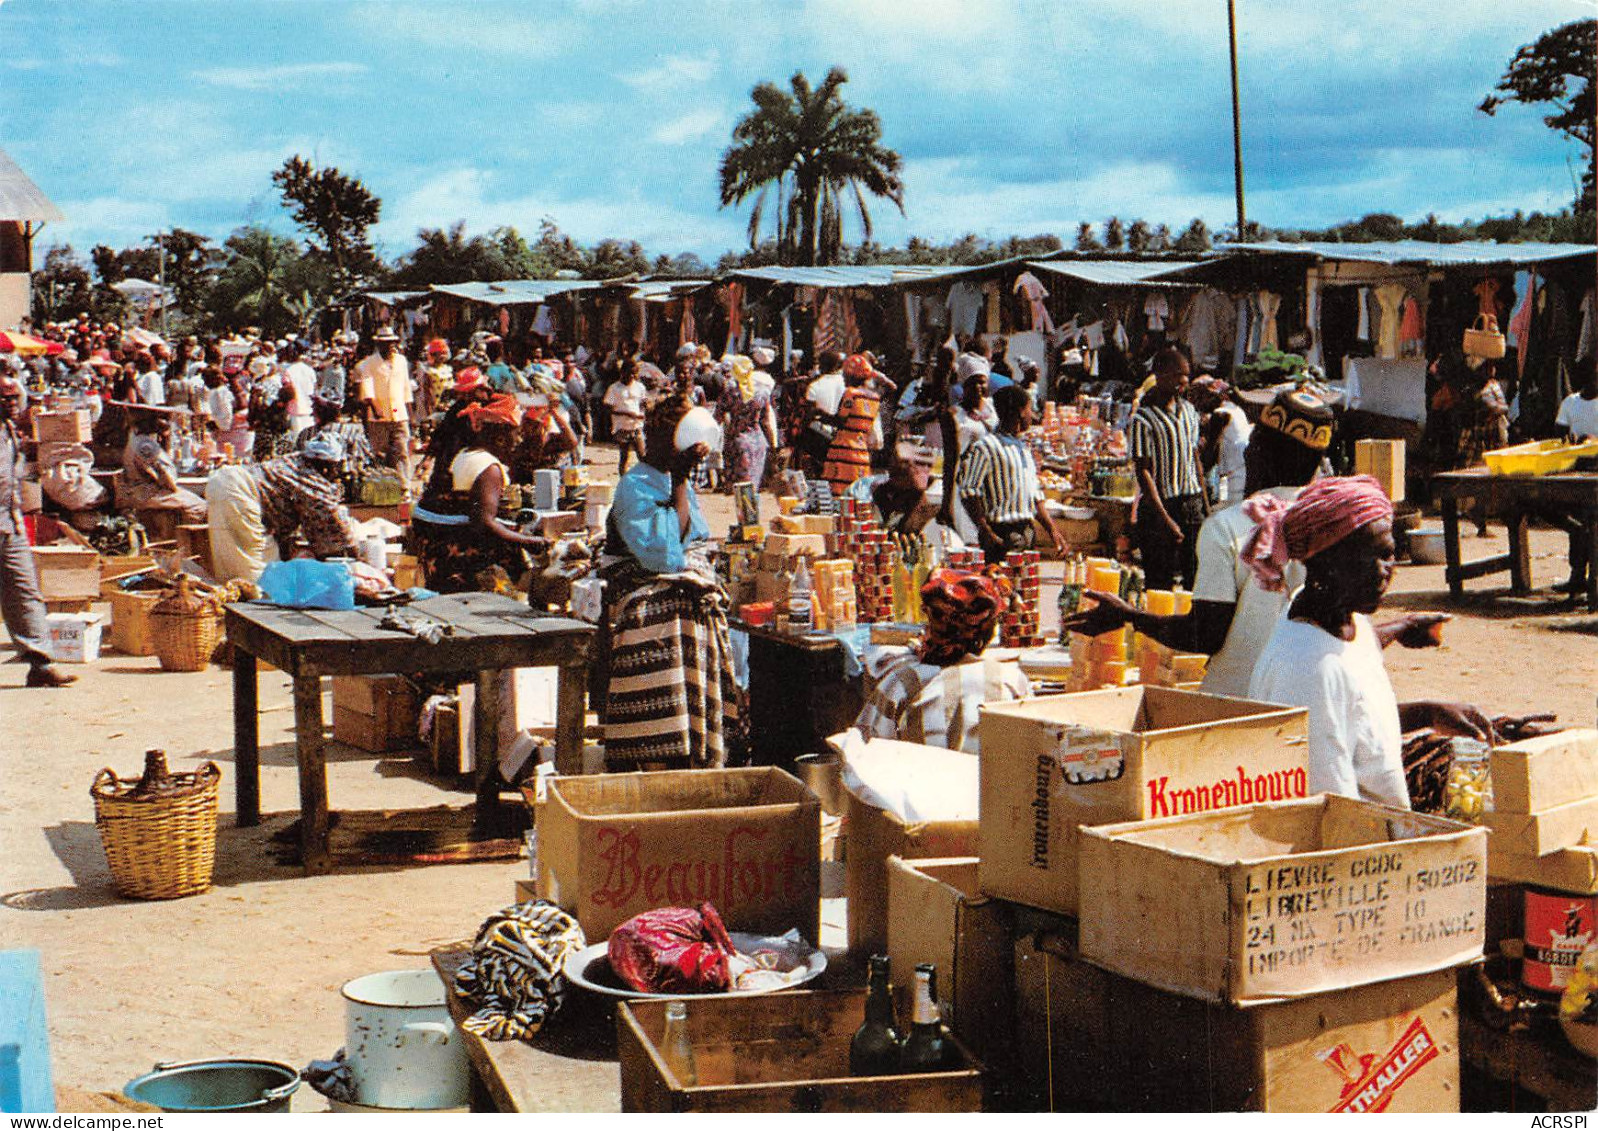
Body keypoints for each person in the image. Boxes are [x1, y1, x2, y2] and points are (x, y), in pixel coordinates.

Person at [1065, 388, 1450, 694]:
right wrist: (1401, 626)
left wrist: (1129, 617)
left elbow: (1207, 634)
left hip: (1238, 708)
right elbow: (1337, 638)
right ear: (1317, 465)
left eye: (1254, 445)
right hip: (1307, 701)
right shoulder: (1344, 528)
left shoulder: (1229, 527)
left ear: (1261, 451)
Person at [1245, 476, 1494, 806]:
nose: (1381, 571)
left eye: (1387, 554)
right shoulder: (1308, 671)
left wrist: (1426, 711)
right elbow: (1335, 809)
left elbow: (1354, 688)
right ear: (1320, 564)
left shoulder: (1334, 613)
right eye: (1361, 559)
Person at [598, 391, 743, 770]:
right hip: (638, 580)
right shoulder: (635, 485)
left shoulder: (670, 480)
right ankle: (657, 745)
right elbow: (661, 554)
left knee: (707, 607)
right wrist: (679, 481)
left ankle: (697, 738)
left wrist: (680, 483)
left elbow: (694, 535)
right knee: (669, 611)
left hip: (671, 576)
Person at [853, 568, 1030, 753]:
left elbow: (862, 755)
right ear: (988, 632)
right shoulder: (1013, 681)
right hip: (991, 782)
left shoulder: (901, 683)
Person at [412, 394, 546, 594]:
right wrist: (530, 542)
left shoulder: (466, 455)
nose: (518, 440)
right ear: (500, 436)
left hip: (437, 547)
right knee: (514, 555)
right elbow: (484, 522)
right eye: (516, 433)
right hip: (457, 554)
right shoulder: (488, 467)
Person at [0, 376, 76, 687]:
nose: (12, 402)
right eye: (4, 397)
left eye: (15, 396)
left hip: (9, 521)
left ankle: (41, 663)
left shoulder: (10, 433)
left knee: (25, 591)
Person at [205, 436, 358, 584]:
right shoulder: (311, 479)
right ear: (326, 465)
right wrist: (355, 554)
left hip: (221, 481)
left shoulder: (292, 460)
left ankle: (234, 590)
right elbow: (333, 524)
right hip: (239, 491)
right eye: (334, 467)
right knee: (260, 567)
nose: (335, 473)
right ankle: (251, 599)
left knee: (231, 553)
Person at [958, 384, 1065, 563]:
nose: (1033, 415)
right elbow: (969, 491)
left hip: (1027, 533)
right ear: (1021, 412)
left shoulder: (1023, 448)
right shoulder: (986, 447)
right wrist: (986, 531)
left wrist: (1053, 530)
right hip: (1002, 534)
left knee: (1024, 587)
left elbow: (1035, 496)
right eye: (1030, 409)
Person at [1129, 347, 1207, 588]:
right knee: (1159, 583)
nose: (1183, 382)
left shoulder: (1190, 412)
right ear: (1160, 376)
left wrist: (1205, 507)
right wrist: (1166, 520)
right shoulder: (1143, 419)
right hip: (1159, 510)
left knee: (1195, 580)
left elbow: (1195, 459)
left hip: (1191, 505)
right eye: (1177, 376)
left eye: (1186, 376)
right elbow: (1143, 472)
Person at [1548, 355, 1598, 594]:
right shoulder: (1570, 403)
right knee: (1577, 524)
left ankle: (1585, 579)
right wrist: (1570, 441)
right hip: (1576, 471)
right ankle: (1578, 576)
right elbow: (1560, 434)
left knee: (1589, 523)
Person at [120, 406, 207, 523]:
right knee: (202, 507)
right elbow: (170, 481)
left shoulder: (136, 439)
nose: (165, 423)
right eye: (160, 419)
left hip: (141, 492)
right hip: (149, 494)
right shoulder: (146, 445)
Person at [354, 327, 415, 481]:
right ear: (378, 344)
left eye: (390, 342)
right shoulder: (369, 363)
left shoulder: (401, 361)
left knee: (402, 451)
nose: (388, 346)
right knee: (380, 453)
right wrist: (375, 407)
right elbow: (366, 386)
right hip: (378, 417)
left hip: (399, 413)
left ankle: (404, 485)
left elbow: (406, 387)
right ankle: (384, 485)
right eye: (384, 343)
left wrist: (410, 413)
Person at [846, 442, 942, 536]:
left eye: (927, 465)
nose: (925, 470)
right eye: (920, 464)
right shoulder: (862, 490)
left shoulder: (931, 499)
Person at [821, 353, 885, 494]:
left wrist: (819, 414)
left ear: (853, 375)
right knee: (858, 493)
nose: (843, 378)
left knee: (839, 493)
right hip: (861, 450)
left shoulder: (851, 394)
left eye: (845, 374)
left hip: (844, 449)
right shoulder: (875, 398)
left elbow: (841, 420)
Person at [1188, 376, 1252, 507]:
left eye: (1202, 396)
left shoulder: (1220, 414)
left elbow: (1209, 455)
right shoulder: (1236, 410)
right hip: (1242, 472)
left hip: (1236, 477)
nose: (1199, 402)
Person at [718, 354, 779, 489]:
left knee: (741, 486)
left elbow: (718, 416)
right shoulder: (762, 392)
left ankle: (745, 510)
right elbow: (766, 422)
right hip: (757, 442)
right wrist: (773, 444)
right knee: (753, 484)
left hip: (736, 440)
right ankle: (750, 509)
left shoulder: (731, 392)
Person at [801, 350, 847, 476]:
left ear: (821, 365)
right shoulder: (846, 384)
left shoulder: (815, 386)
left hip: (819, 435)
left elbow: (809, 415)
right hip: (843, 435)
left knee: (820, 472)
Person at [603, 357, 649, 475]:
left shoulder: (639, 387)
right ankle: (623, 481)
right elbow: (608, 409)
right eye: (629, 373)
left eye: (634, 374)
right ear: (622, 372)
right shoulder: (614, 388)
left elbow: (643, 403)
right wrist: (627, 414)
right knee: (624, 457)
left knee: (642, 455)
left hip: (637, 426)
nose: (632, 376)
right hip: (621, 427)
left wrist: (644, 411)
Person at [282, 343, 318, 436]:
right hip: (309, 410)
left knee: (297, 440)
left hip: (295, 411)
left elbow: (288, 392)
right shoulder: (310, 370)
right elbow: (314, 389)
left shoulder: (288, 371)